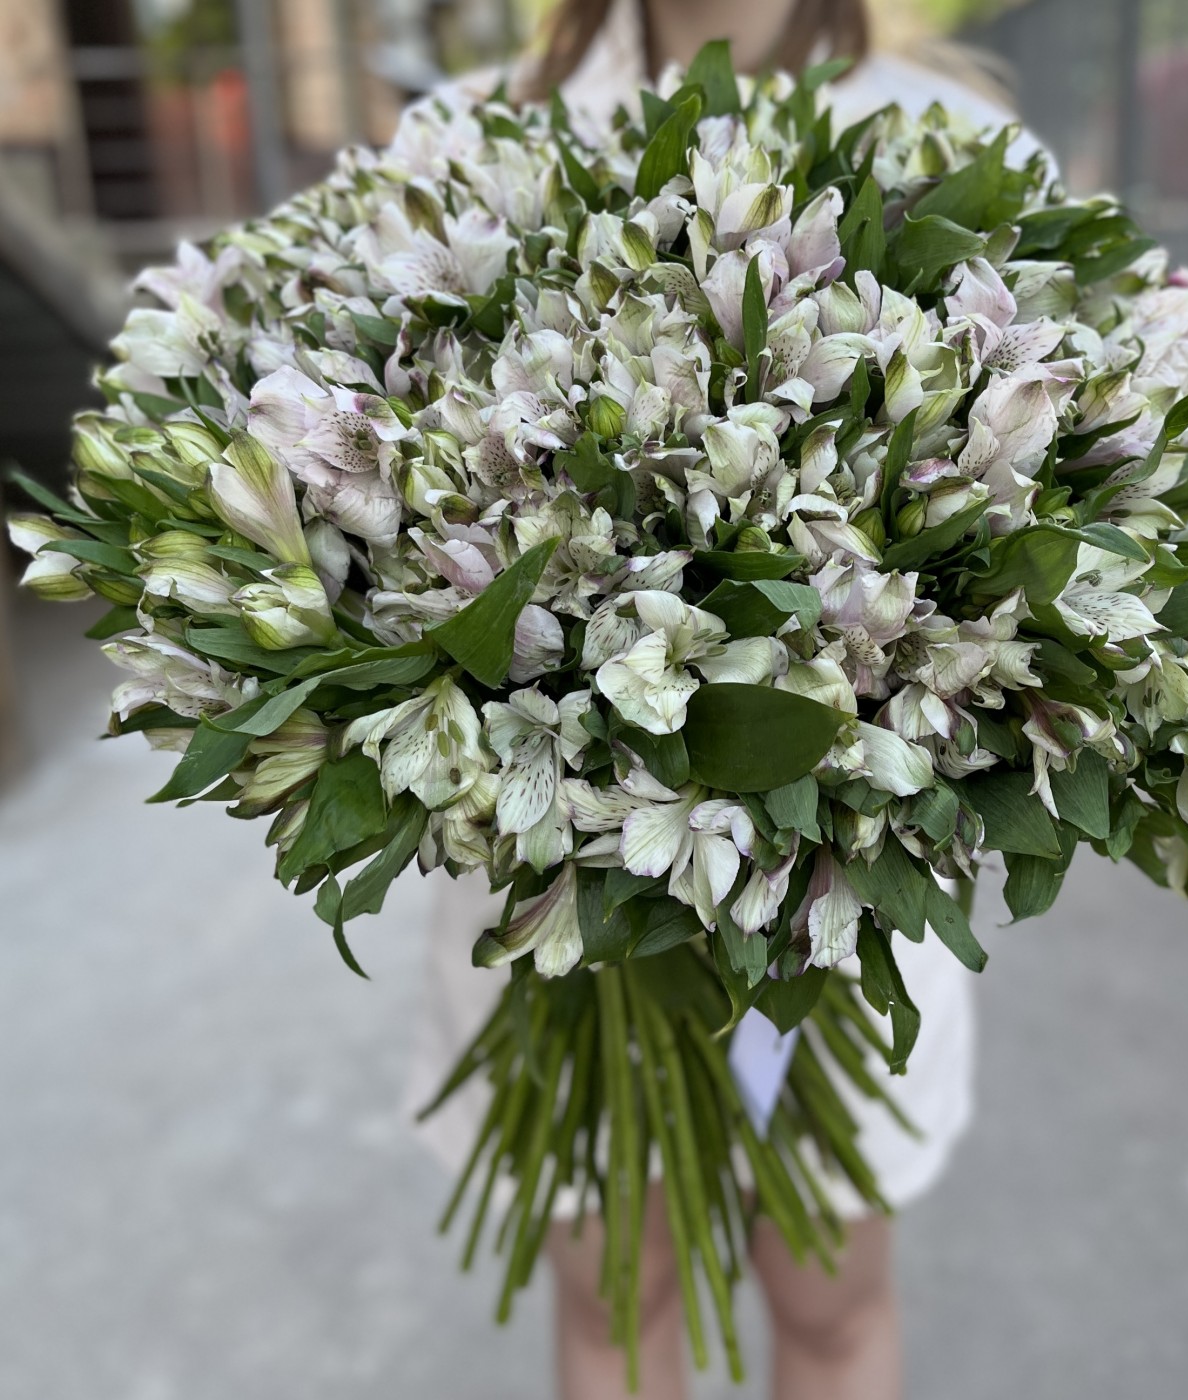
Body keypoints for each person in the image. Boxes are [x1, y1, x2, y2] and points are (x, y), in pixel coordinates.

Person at [405, 4, 1046, 1397]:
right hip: (557, 892)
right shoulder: (467, 136)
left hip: (841, 885)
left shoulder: (952, 135)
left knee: (829, 1304)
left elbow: (1024, 553)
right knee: (617, 1301)